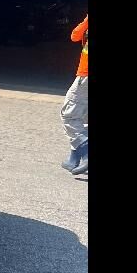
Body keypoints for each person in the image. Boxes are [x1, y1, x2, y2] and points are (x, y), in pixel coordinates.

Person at [60, 14, 88, 174]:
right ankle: (74, 159)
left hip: (86, 76)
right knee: (83, 117)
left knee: (69, 116)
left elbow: (75, 35)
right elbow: (75, 36)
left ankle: (85, 151)